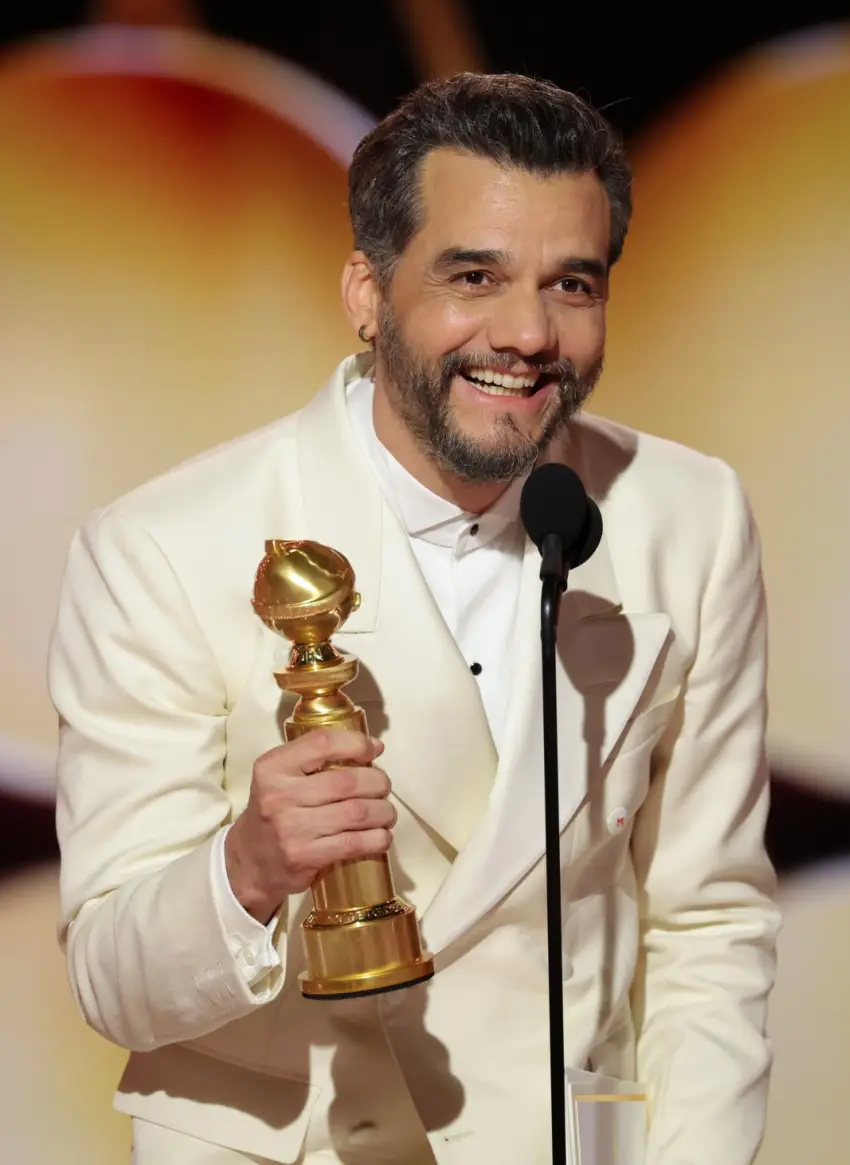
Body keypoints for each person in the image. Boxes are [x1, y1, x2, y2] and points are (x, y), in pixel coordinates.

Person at [49, 72, 780, 1165]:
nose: (527, 332)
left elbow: (707, 921)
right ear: (367, 291)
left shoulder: (690, 515)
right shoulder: (160, 547)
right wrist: (246, 871)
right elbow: (112, 977)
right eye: (474, 276)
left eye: (572, 285)